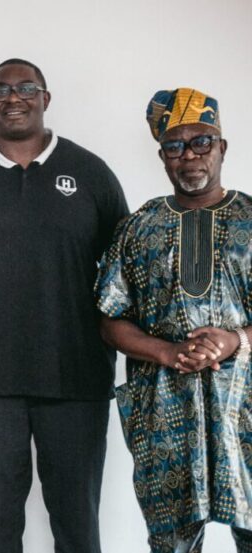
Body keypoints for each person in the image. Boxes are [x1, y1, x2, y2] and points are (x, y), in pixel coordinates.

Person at [0, 59, 129, 553]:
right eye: (1, 90)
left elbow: (125, 270)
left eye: (26, 88)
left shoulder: (90, 173)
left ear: (45, 98)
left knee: (77, 524)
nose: (13, 97)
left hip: (75, 375)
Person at [96, 87, 252, 552]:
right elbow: (110, 318)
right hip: (165, 412)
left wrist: (236, 340)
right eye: (175, 146)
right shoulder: (138, 228)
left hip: (244, 407)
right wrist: (167, 351)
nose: (190, 156)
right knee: (172, 544)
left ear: (222, 147)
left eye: (202, 142)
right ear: (162, 156)